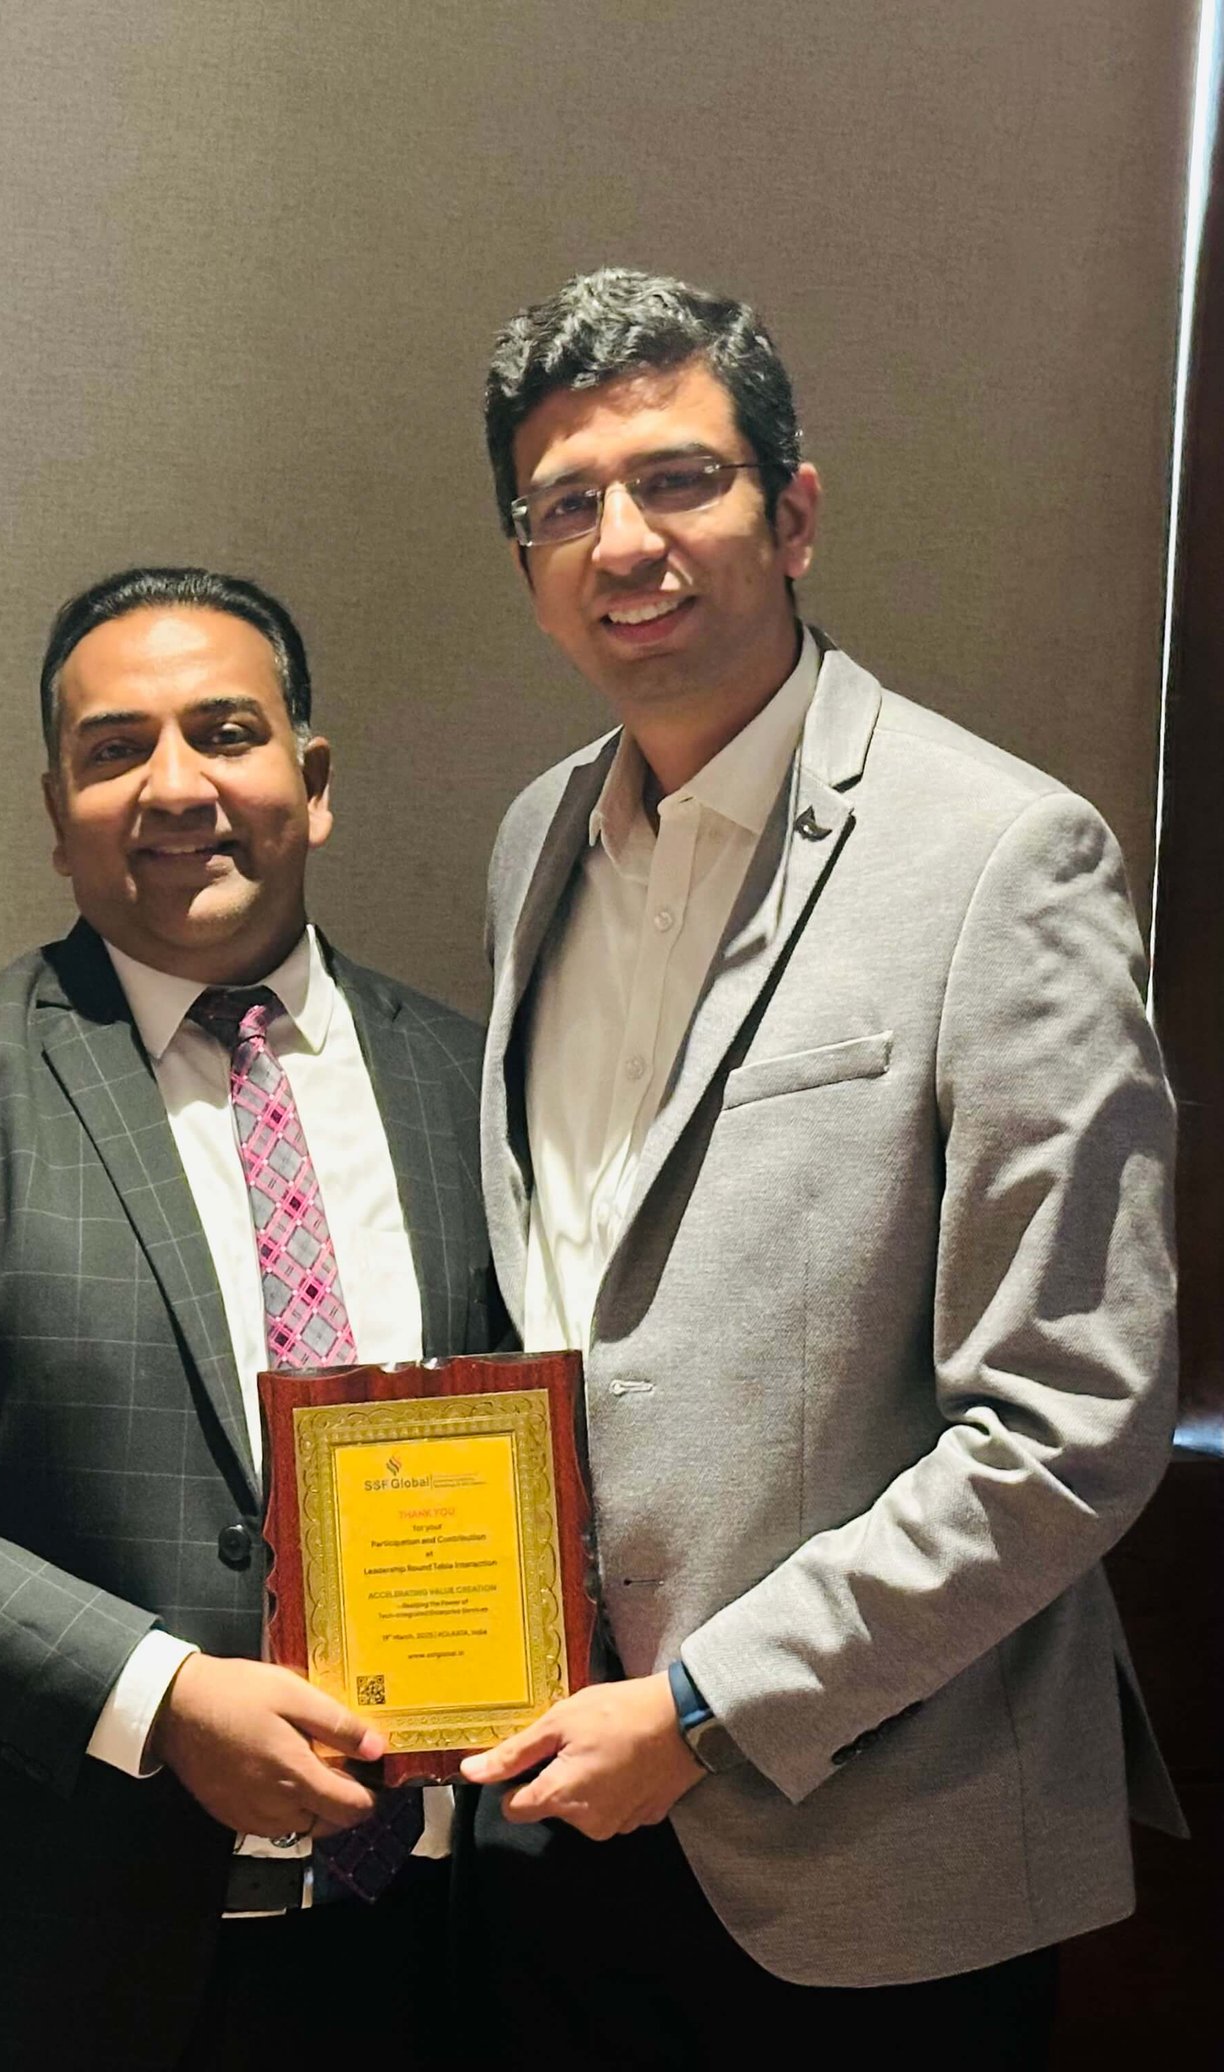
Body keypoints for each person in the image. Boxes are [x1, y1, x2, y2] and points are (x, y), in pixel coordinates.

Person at [457, 269, 1184, 2067]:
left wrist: (704, 1710)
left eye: (677, 480)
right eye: (566, 503)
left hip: (880, 1846)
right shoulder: (533, 841)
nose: (624, 540)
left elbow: (1070, 1425)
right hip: (558, 1819)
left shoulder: (1003, 854)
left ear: (792, 515)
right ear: (529, 565)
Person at [0, 566, 498, 2072]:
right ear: (56, 808)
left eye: (226, 732)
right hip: (49, 1960)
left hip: (432, 1950)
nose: (175, 787)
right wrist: (162, 1696)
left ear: (313, 782)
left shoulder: (475, 1086)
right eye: (113, 749)